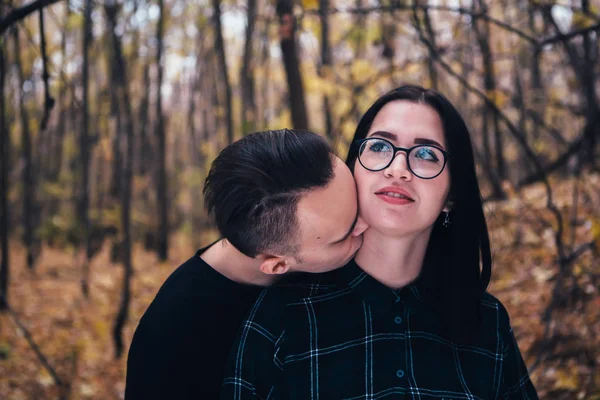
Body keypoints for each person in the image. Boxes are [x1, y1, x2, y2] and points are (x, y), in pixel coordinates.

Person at [221, 85, 539, 399]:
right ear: (353, 168)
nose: (398, 170)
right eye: (380, 147)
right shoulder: (281, 316)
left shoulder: (487, 322)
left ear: (452, 195)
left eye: (426, 154)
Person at [125, 129, 368, 399]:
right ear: (276, 265)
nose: (367, 224)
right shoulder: (172, 341)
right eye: (345, 235)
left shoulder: (315, 253)